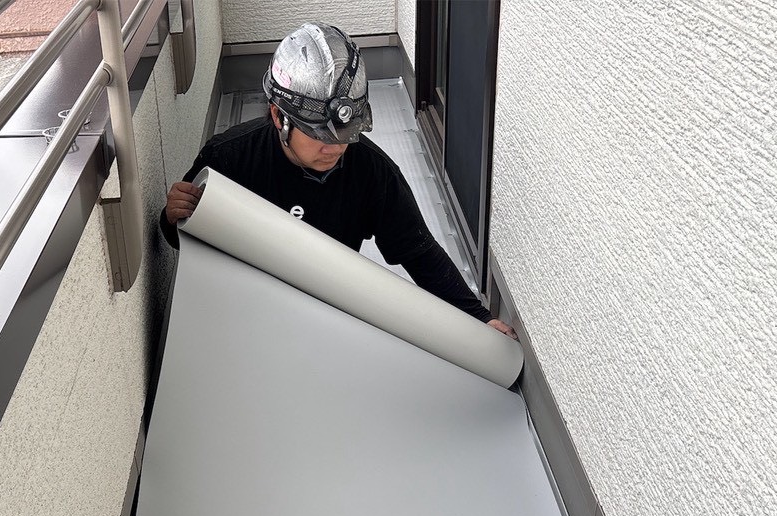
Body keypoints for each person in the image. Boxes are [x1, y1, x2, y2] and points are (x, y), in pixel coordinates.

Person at [160, 22, 516, 338]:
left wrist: (478, 317)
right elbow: (186, 241)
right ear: (278, 117)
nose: (333, 147)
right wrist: (173, 219)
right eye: (318, 134)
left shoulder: (373, 173)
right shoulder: (229, 157)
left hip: (328, 306)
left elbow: (418, 251)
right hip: (250, 310)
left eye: (345, 133)